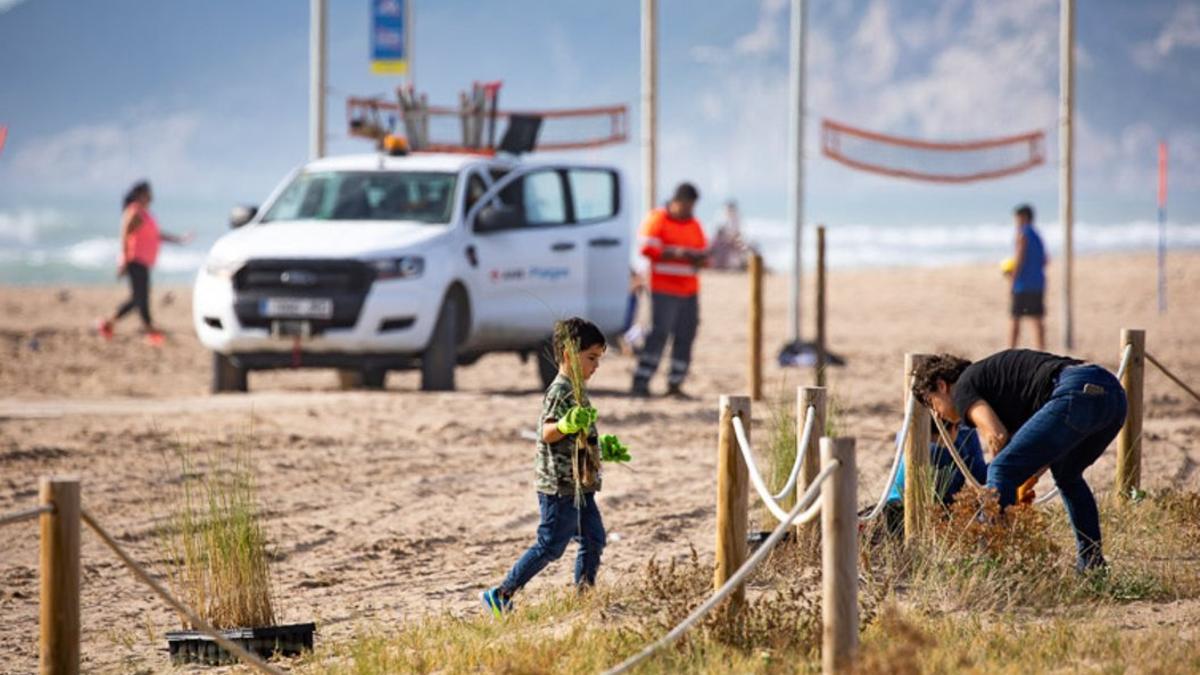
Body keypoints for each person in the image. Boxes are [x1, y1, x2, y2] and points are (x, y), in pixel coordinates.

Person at [911, 350, 1127, 572]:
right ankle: (1092, 565)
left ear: (942, 386)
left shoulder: (963, 386)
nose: (936, 415)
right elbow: (1038, 452)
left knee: (1000, 469)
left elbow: (996, 436)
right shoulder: (999, 389)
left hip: (1075, 393)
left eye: (931, 403)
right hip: (1114, 399)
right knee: (1067, 476)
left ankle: (989, 565)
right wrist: (1023, 480)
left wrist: (1002, 481)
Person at [482, 318, 629, 616]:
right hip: (559, 485)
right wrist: (565, 423)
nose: (595, 367)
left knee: (593, 538)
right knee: (551, 544)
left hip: (580, 484)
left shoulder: (578, 390)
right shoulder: (559, 390)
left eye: (598, 360)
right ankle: (502, 592)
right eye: (591, 358)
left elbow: (581, 434)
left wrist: (602, 447)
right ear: (567, 355)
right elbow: (548, 432)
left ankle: (584, 597)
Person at [631, 182, 709, 398]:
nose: (687, 210)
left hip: (689, 290)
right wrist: (678, 252)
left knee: (686, 336)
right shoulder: (658, 218)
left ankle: (675, 383)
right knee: (659, 334)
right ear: (675, 202)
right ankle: (641, 381)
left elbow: (703, 254)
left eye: (691, 206)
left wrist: (695, 258)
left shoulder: (694, 224)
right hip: (663, 288)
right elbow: (647, 248)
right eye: (685, 205)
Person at [97, 180, 191, 345]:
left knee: (137, 298)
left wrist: (179, 239)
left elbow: (156, 235)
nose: (151, 197)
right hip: (135, 260)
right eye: (148, 193)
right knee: (141, 297)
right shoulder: (135, 212)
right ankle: (149, 329)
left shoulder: (144, 214)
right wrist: (124, 260)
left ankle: (108, 323)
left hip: (144, 261)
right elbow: (125, 234)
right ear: (141, 195)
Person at [876, 421, 989, 536]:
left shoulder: (964, 430)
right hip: (908, 513)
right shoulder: (937, 446)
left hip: (901, 507)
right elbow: (940, 503)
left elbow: (979, 476)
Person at [1008, 204, 1047, 350]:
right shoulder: (1037, 235)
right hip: (1038, 282)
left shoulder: (1022, 234)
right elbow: (1045, 260)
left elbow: (1019, 258)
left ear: (1023, 217)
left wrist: (1012, 279)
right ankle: (1041, 349)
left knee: (1015, 318)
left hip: (1023, 283)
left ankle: (1011, 349)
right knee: (1037, 319)